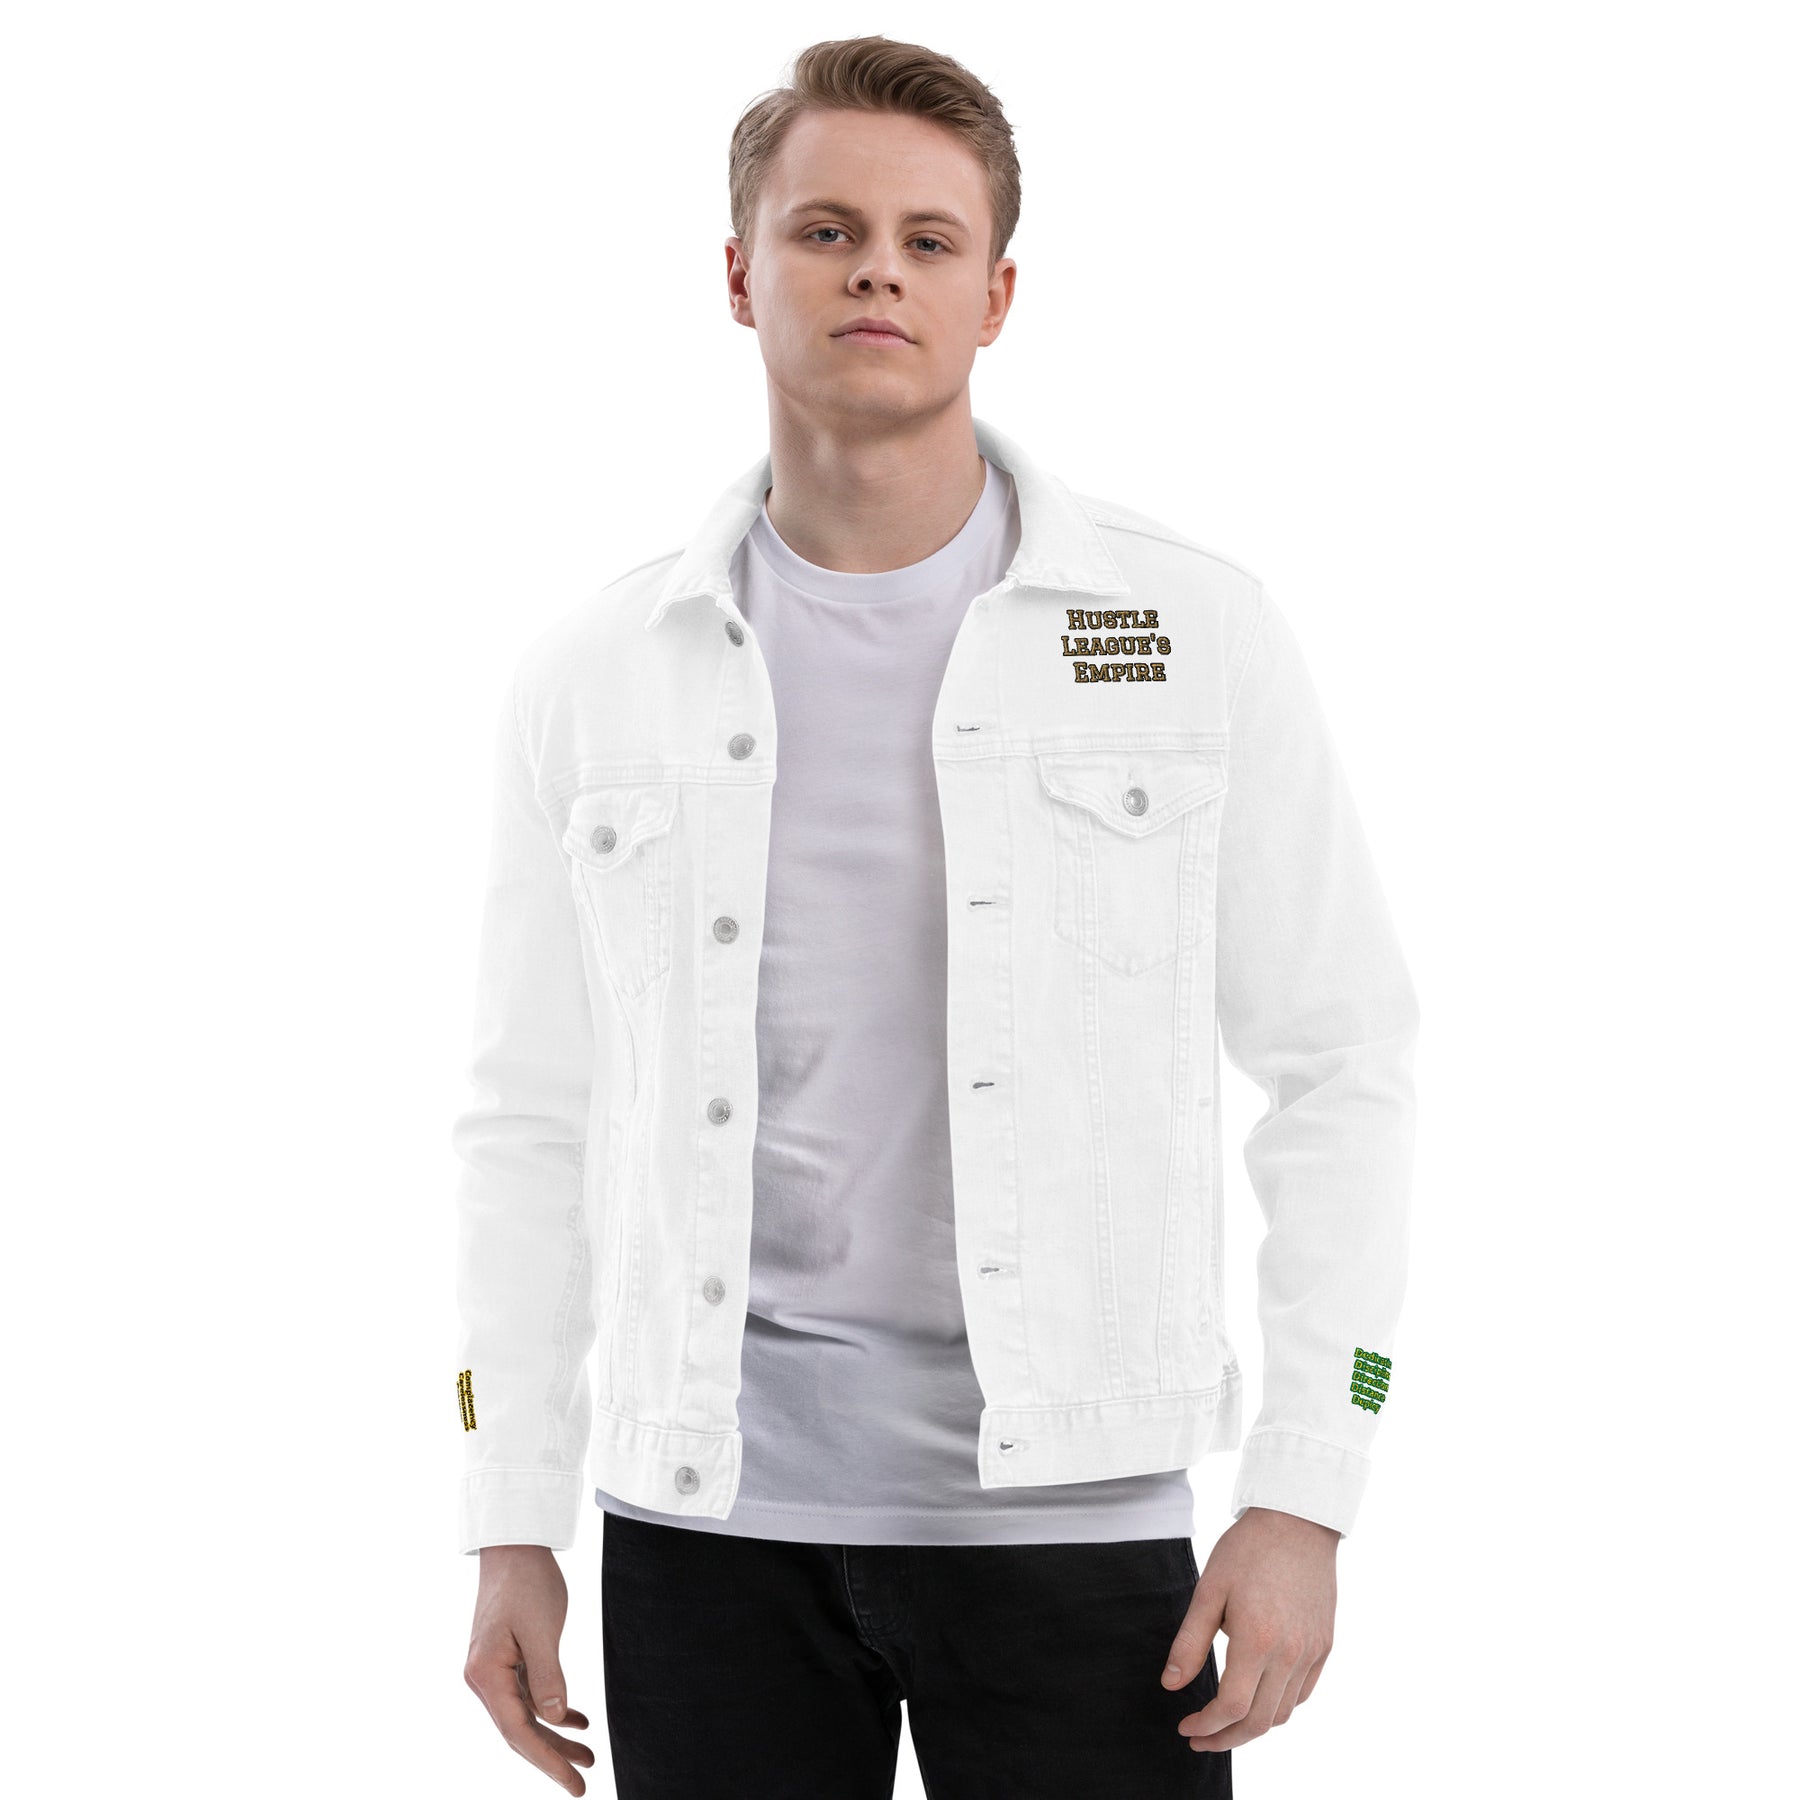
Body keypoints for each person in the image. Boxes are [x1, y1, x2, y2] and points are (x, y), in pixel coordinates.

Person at [454, 33, 1418, 1799]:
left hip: (1079, 1532)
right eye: (825, 231)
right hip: (706, 1532)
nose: (875, 273)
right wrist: (507, 1512)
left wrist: (1306, 1487)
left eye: (928, 239)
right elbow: (528, 1117)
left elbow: (1344, 1062)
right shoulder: (596, 676)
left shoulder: (1189, 636)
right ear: (739, 274)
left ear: (998, 296)